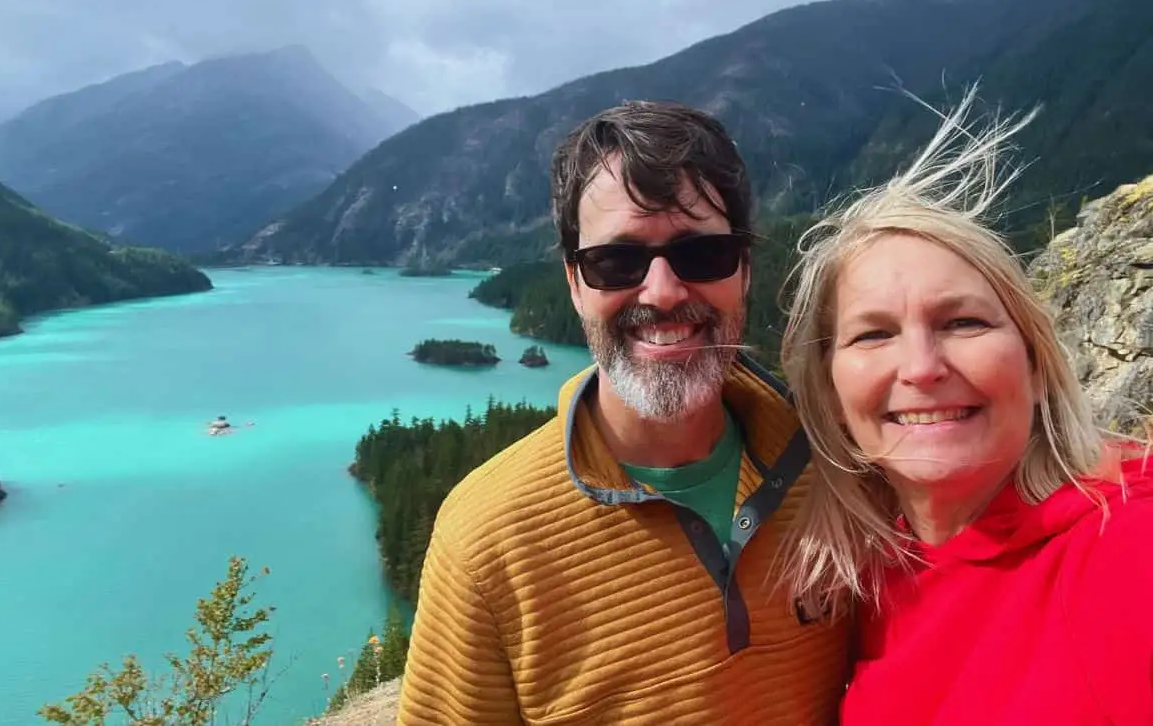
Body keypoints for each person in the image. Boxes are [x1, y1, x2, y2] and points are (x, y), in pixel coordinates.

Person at [396, 101, 852, 724]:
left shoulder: (840, 470)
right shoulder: (486, 541)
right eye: (617, 262)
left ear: (743, 269)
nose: (663, 292)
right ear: (575, 282)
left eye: (702, 255)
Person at [777, 89, 1153, 725]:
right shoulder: (863, 582)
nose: (923, 368)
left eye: (963, 323)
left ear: (1034, 363)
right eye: (873, 334)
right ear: (831, 397)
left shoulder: (1120, 550)